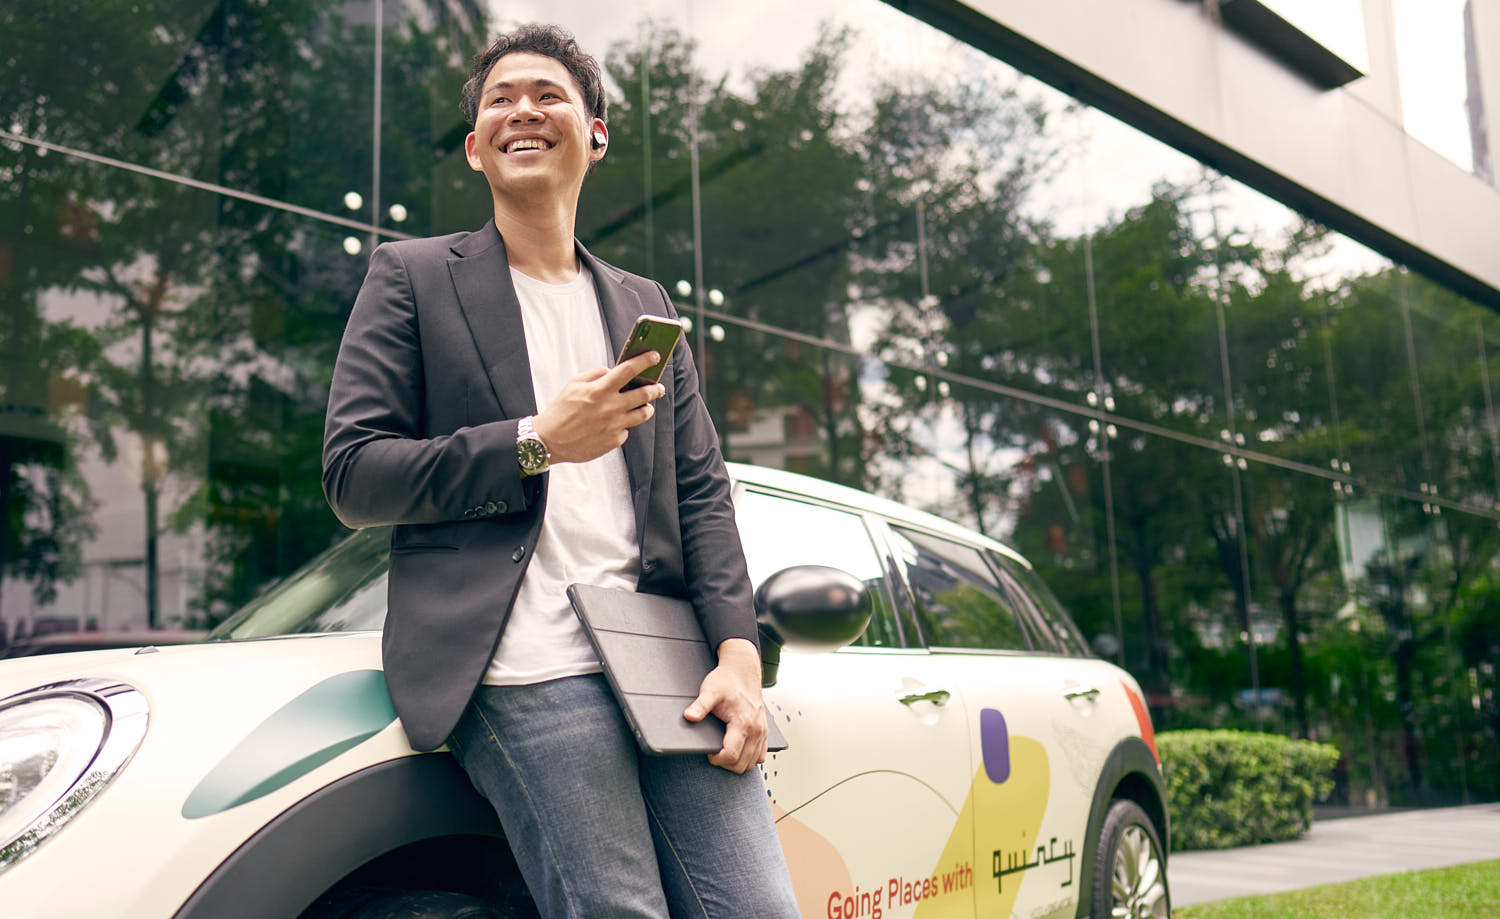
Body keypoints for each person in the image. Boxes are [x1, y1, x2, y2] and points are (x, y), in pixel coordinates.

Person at [321, 23, 800, 919]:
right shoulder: (413, 277)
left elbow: (702, 493)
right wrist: (536, 441)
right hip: (520, 660)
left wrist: (739, 657)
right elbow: (355, 473)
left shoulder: (644, 305)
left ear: (596, 134)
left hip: (661, 658)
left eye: (548, 95)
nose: (523, 111)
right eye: (500, 99)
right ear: (476, 147)